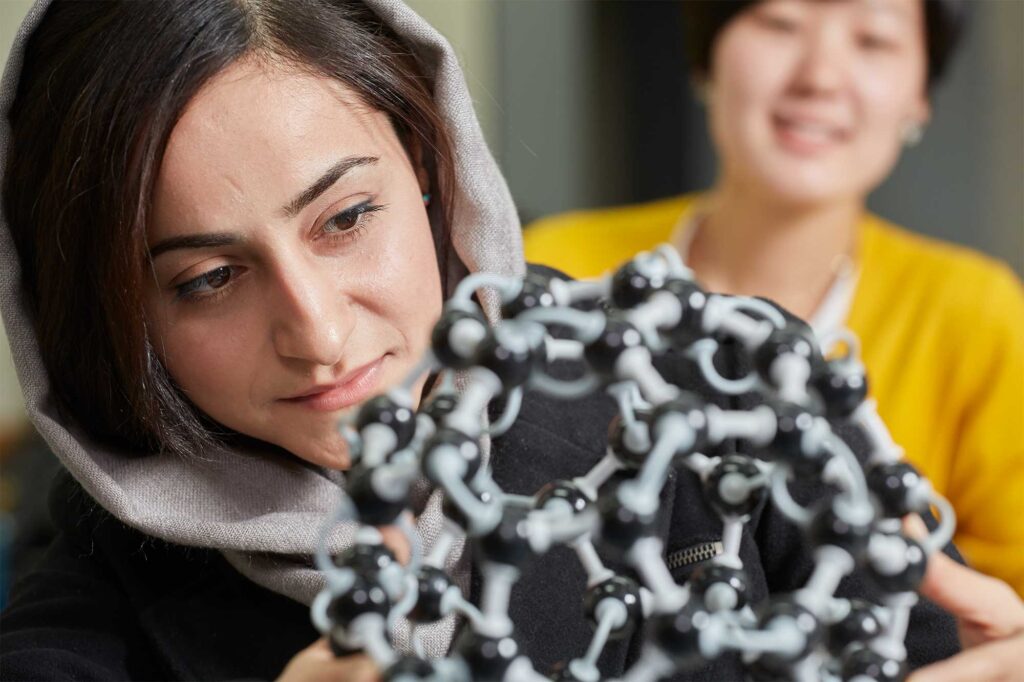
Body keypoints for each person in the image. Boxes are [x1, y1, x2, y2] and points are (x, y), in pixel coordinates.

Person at [0, 0, 988, 679]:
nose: (318, 329)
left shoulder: (726, 388)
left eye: (345, 218)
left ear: (432, 164)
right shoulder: (92, 607)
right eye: (208, 279)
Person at [524, 0, 1024, 596]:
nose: (819, 76)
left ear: (920, 95)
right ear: (708, 57)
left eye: (873, 40)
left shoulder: (974, 314)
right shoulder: (559, 272)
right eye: (781, 23)